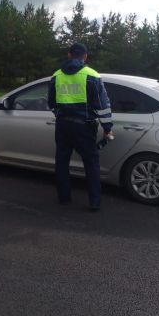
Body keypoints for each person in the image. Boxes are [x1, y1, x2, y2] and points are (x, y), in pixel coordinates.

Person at [47, 42, 113, 211]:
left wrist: (61, 115)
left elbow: (51, 103)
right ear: (85, 56)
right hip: (84, 126)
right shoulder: (92, 75)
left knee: (62, 161)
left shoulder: (56, 75)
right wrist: (107, 128)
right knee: (91, 163)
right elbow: (102, 105)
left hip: (62, 125)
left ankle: (63, 198)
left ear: (69, 55)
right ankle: (94, 201)